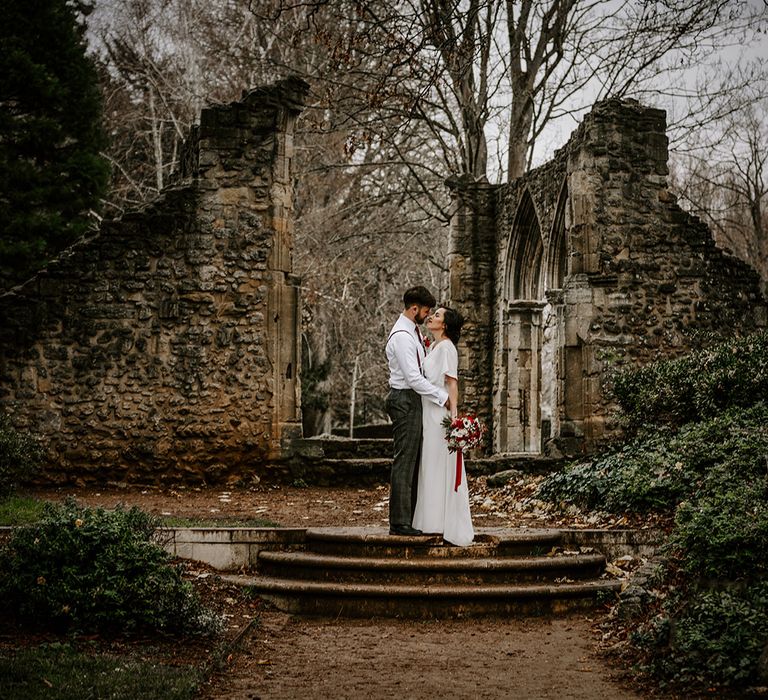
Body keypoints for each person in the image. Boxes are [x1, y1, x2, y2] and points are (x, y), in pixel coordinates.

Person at [385, 286, 449, 536]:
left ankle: (409, 517)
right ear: (414, 309)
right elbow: (413, 377)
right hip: (404, 399)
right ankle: (399, 522)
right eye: (425, 311)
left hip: (412, 400)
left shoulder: (412, 332)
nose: (427, 315)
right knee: (405, 459)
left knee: (412, 460)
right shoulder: (402, 335)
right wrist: (442, 397)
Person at [412, 306, 474, 546]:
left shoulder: (447, 347)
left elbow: (452, 383)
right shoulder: (434, 346)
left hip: (439, 414)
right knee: (429, 464)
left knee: (438, 463)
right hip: (428, 410)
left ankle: (439, 521)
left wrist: (454, 420)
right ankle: (429, 520)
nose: (431, 317)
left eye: (437, 315)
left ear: (446, 325)